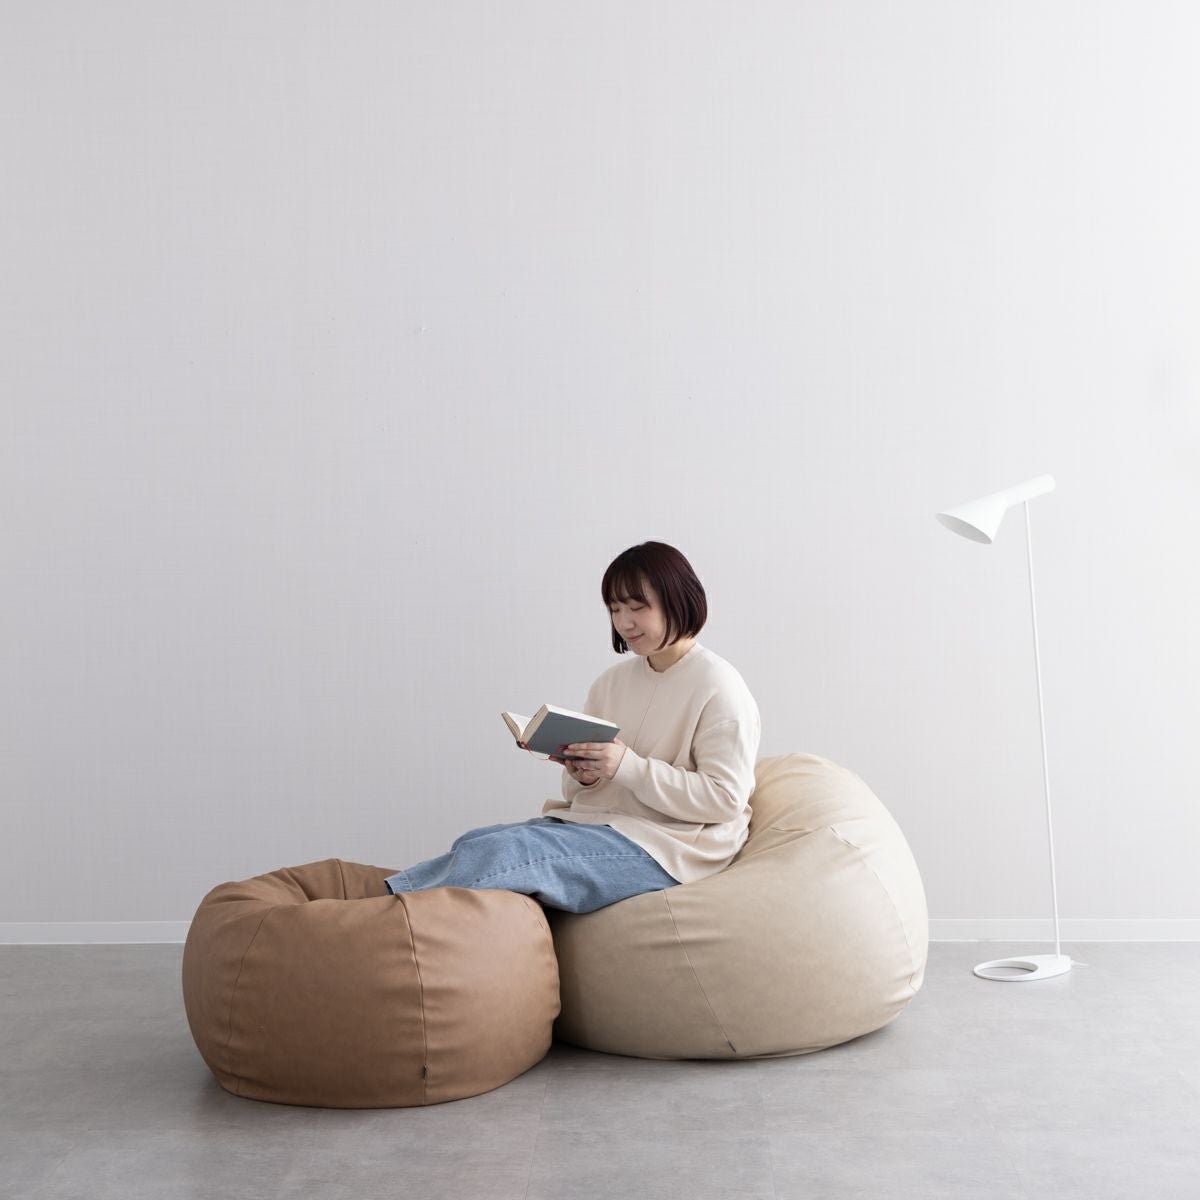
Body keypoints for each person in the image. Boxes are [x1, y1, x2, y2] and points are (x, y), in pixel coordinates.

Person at [382, 541, 761, 913]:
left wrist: (627, 767)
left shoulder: (719, 688)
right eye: (614, 609)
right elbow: (584, 789)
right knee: (475, 841)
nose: (623, 622)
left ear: (677, 600)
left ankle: (378, 909)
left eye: (636, 607)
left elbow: (725, 799)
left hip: (672, 847)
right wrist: (585, 775)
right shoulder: (611, 683)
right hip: (605, 825)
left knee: (507, 852)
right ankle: (387, 905)